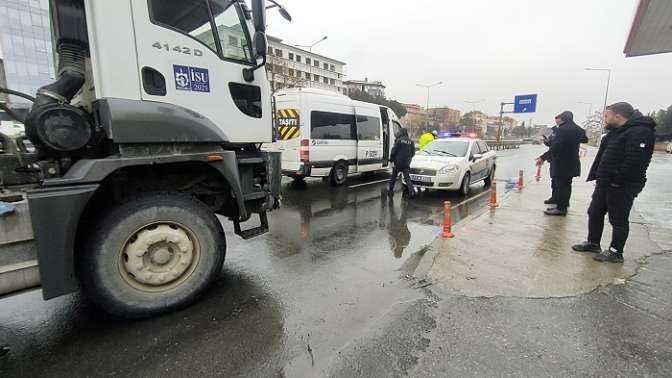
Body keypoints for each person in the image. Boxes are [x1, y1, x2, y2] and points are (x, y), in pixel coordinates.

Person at [572, 102, 656, 263]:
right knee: (594, 211)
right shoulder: (617, 132)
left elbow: (636, 162)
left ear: (618, 116)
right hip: (606, 182)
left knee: (618, 218)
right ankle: (593, 243)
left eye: (607, 116)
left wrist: (617, 180)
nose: (605, 119)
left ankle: (616, 252)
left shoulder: (640, 132)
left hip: (622, 184)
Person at [536, 111, 588, 216]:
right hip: (572, 161)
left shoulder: (562, 130)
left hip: (561, 161)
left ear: (563, 119)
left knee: (562, 186)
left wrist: (543, 157)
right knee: (566, 185)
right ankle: (563, 204)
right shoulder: (578, 129)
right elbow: (585, 139)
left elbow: (557, 146)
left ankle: (561, 208)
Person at [389, 128, 416, 197]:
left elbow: (393, 151)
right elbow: (413, 153)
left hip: (398, 162)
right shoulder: (411, 142)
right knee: (407, 178)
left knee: (393, 177)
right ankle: (412, 191)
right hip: (406, 163)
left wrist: (391, 160)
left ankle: (390, 191)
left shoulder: (399, 140)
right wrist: (408, 159)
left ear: (401, 133)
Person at [542, 122, 560, 205]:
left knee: (559, 182)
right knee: (554, 180)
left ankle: (559, 201)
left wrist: (543, 157)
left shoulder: (561, 133)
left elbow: (555, 147)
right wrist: (546, 141)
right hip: (553, 159)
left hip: (559, 160)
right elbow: (550, 144)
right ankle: (554, 198)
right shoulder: (553, 133)